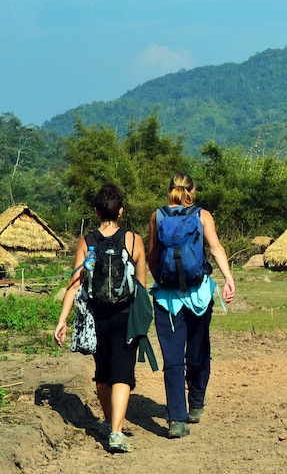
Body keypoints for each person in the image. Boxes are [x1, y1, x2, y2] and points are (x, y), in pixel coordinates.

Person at [54, 183, 146, 453]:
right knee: (123, 374)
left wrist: (62, 320)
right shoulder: (133, 240)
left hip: (96, 317)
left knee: (103, 373)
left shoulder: (86, 241)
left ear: (95, 211)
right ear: (121, 211)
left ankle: (108, 422)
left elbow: (74, 285)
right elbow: (140, 285)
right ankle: (116, 432)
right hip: (125, 316)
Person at [147, 172, 235, 439]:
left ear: (170, 191)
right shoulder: (202, 215)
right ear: (192, 192)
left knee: (172, 359)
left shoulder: (157, 216)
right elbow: (216, 247)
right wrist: (229, 278)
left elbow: (152, 255)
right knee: (198, 350)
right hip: (198, 296)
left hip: (167, 299)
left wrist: (161, 280)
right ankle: (195, 404)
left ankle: (176, 420)